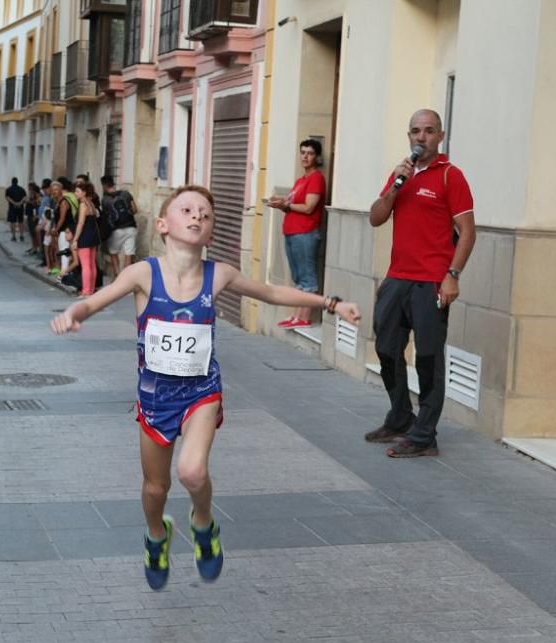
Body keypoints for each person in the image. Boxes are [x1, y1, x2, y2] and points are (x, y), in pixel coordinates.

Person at [50, 185, 360, 590]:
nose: (196, 216)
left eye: (205, 214)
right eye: (187, 210)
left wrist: (331, 304)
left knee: (192, 472)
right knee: (155, 488)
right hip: (155, 398)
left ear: (211, 232)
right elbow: (95, 301)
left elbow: (269, 292)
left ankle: (203, 523)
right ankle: (156, 536)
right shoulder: (144, 274)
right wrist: (74, 312)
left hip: (201, 393)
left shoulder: (219, 275)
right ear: (163, 224)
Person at [366, 109, 476, 458]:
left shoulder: (450, 176)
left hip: (431, 282)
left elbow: (469, 232)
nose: (421, 137)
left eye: (429, 131)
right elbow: (376, 218)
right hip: (398, 277)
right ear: (409, 135)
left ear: (440, 136)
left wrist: (452, 276)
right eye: (415, 131)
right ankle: (400, 416)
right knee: (385, 348)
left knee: (428, 357)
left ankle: (424, 434)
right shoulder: (402, 174)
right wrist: (395, 186)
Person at [268, 139, 327, 328]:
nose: (305, 156)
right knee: (298, 277)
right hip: (293, 232)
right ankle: (296, 316)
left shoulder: (316, 178)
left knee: (308, 277)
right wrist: (280, 204)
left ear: (317, 157)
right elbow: (291, 206)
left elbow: (309, 207)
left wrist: (286, 204)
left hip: (306, 232)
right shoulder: (300, 180)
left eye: (310, 153)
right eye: (303, 152)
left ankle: (304, 317)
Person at [100, 175, 138, 277]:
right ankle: (126, 277)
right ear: (113, 183)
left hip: (116, 230)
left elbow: (106, 216)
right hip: (131, 227)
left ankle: (117, 275)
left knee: (113, 252)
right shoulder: (126, 194)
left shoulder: (105, 200)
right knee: (129, 253)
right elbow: (135, 210)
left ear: (104, 185)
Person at [70, 182, 100, 296]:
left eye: (77, 191)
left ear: (84, 193)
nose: (75, 193)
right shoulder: (91, 203)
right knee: (92, 264)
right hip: (93, 236)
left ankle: (86, 291)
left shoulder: (83, 205)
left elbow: (81, 223)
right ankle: (91, 290)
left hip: (84, 237)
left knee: (86, 265)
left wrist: (75, 239)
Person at [5, 177, 27, 242]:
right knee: (21, 221)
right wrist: (19, 203)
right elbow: (25, 197)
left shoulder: (8, 189)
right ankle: (21, 235)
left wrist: (14, 203)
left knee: (12, 222)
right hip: (20, 207)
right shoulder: (22, 189)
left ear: (12, 182)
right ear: (17, 182)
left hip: (12, 208)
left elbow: (7, 197)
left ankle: (14, 236)